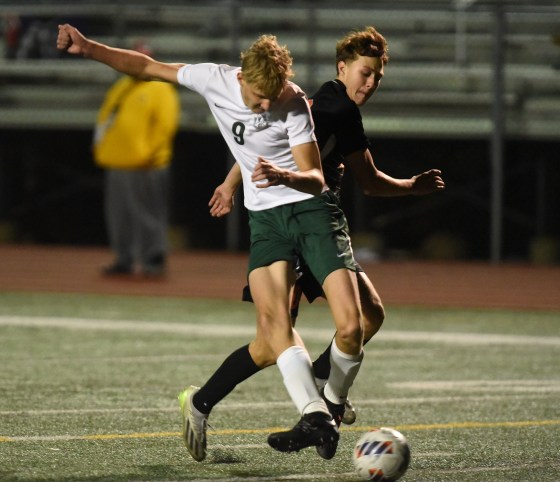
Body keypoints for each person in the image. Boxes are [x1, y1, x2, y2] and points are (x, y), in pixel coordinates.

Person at [57, 24, 364, 463]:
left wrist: (283, 175)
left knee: (353, 325)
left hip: (312, 213)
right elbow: (145, 66)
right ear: (240, 78)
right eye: (258, 96)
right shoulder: (213, 79)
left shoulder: (292, 101)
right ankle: (315, 413)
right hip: (267, 223)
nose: (264, 105)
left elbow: (315, 178)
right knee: (274, 329)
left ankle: (325, 402)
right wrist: (88, 49)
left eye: (271, 98)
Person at [209, 26, 445, 425]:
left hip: (310, 221)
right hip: (303, 225)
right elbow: (369, 182)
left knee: (345, 322)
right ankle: (213, 401)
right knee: (280, 340)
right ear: (343, 67)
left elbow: (261, 145)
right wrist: (412, 186)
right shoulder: (340, 110)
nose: (370, 84)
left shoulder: (317, 100)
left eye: (377, 77)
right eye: (364, 74)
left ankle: (318, 383)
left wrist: (230, 184)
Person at [94, 40, 180, 277]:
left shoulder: (161, 88)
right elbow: (106, 117)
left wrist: (150, 155)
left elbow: (165, 127)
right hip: (118, 161)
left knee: (147, 214)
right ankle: (124, 258)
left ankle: (153, 259)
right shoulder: (122, 85)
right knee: (119, 215)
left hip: (146, 165)